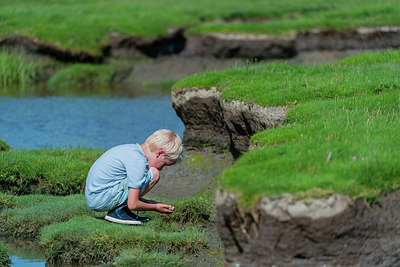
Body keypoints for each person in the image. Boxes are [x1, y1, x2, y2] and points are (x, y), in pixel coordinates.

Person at [85, 129, 183, 225]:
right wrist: (155, 206)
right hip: (102, 200)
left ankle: (121, 209)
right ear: (159, 153)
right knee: (154, 174)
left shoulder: (132, 149)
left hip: (95, 196)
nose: (162, 168)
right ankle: (119, 211)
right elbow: (133, 204)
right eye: (164, 164)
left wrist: (151, 202)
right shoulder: (138, 161)